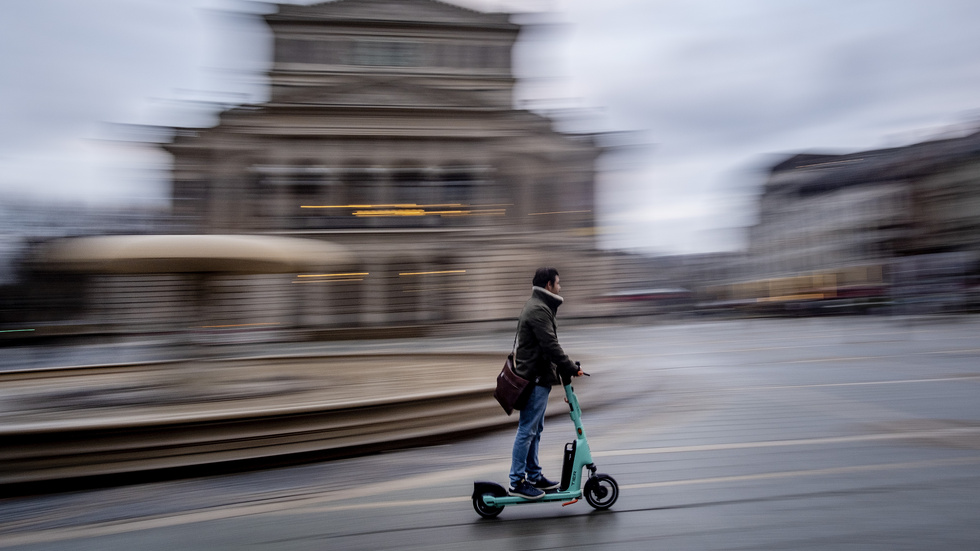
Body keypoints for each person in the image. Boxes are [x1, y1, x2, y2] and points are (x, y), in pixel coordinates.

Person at [508, 267, 583, 499]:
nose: (560, 287)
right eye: (558, 283)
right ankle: (517, 481)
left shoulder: (539, 306)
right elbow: (550, 345)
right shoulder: (539, 310)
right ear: (549, 285)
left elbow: (546, 347)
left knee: (535, 430)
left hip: (537, 377)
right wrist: (569, 366)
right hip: (534, 378)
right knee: (527, 430)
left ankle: (534, 474)